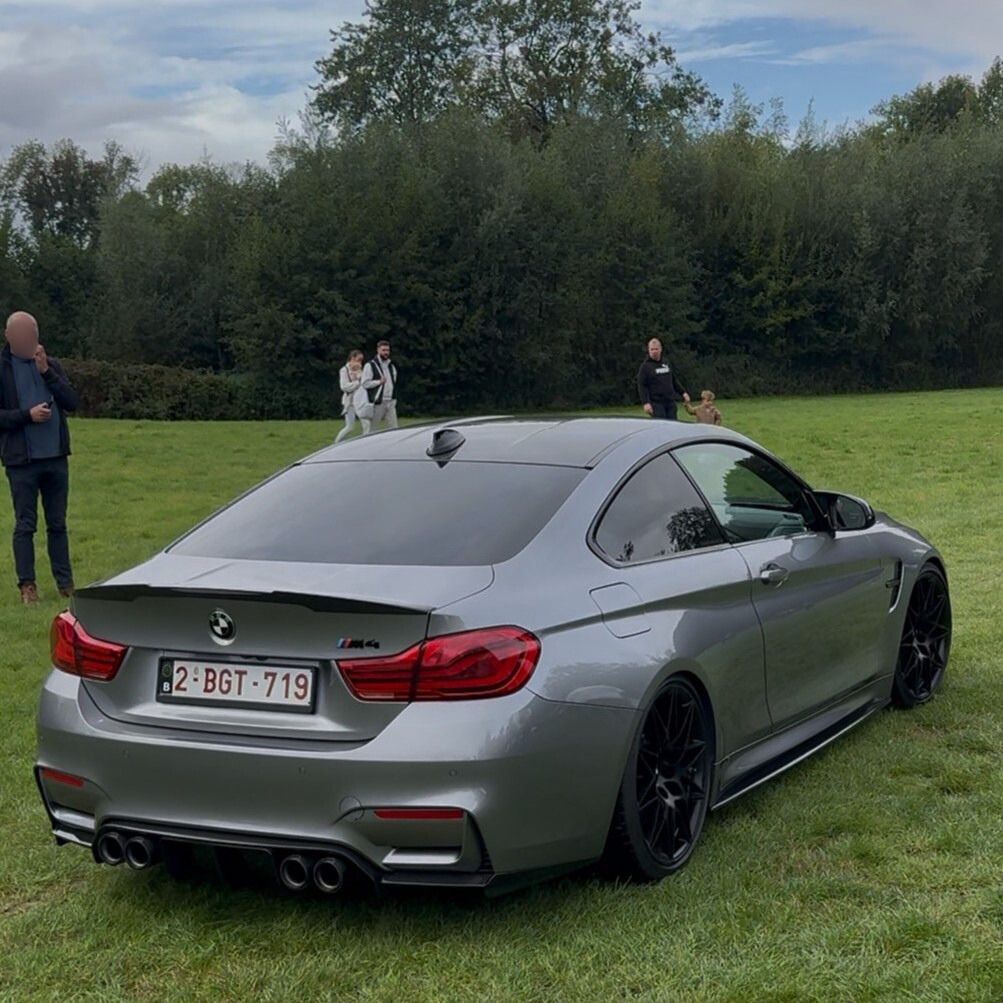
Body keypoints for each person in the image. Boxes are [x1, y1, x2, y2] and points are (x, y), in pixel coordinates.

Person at [0, 312, 80, 604]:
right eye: (20, 334)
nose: (26, 340)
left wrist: (47, 372)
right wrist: (27, 416)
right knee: (26, 524)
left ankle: (66, 583)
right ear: (9, 336)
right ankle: (27, 586)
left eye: (31, 334)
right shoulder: (3, 369)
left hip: (55, 458)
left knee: (57, 523)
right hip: (22, 462)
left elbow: (72, 402)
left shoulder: (51, 364)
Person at [637, 338, 690, 420]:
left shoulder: (666, 362)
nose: (654, 351)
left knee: (673, 426)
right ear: (648, 350)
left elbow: (673, 380)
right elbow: (642, 385)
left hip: (670, 402)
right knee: (661, 426)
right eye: (652, 349)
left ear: (661, 349)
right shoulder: (645, 367)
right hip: (656, 403)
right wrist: (645, 403)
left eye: (656, 349)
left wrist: (683, 392)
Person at [335, 350, 380, 442]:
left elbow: (364, 383)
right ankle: (336, 443)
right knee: (350, 427)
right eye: (358, 359)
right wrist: (357, 383)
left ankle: (365, 443)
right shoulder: (344, 370)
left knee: (366, 424)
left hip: (360, 401)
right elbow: (344, 387)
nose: (360, 362)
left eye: (361, 360)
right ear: (352, 358)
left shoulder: (360, 370)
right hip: (350, 402)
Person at [362, 340, 398, 431]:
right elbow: (365, 383)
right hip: (377, 401)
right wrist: (378, 382)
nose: (386, 353)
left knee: (394, 428)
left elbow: (393, 381)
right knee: (372, 428)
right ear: (378, 350)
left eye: (387, 350)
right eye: (384, 350)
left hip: (390, 400)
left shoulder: (391, 366)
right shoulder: (370, 365)